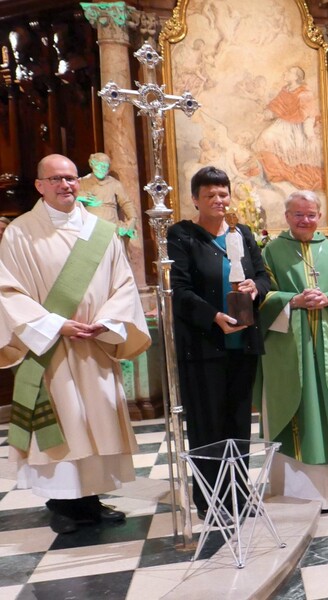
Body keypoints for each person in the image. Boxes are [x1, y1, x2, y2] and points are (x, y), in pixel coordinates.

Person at [0, 154, 150, 534]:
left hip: (94, 346)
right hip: (49, 348)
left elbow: (122, 284)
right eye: (55, 179)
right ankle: (64, 505)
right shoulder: (20, 233)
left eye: (70, 179)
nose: (65, 185)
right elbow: (7, 291)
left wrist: (108, 322)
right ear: (39, 185)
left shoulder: (100, 231)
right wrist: (54, 325)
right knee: (65, 425)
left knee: (94, 422)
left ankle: (92, 499)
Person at [256, 190, 328, 509]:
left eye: (311, 214)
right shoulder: (271, 252)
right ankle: (299, 492)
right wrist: (292, 301)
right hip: (293, 351)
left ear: (319, 216)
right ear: (286, 216)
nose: (305, 220)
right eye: (298, 214)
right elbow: (260, 296)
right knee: (299, 412)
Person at [167, 166, 270, 521]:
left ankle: (239, 493)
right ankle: (210, 499)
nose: (218, 200)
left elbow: (262, 276)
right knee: (208, 425)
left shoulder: (242, 233)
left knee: (238, 422)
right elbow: (178, 291)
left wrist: (256, 288)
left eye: (223, 194)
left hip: (242, 343)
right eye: (209, 195)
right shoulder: (182, 236)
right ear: (195, 199)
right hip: (204, 346)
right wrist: (213, 316)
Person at [77, 152, 138, 241]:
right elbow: (70, 201)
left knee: (112, 250)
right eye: (100, 165)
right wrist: (80, 197)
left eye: (105, 167)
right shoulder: (82, 182)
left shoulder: (115, 184)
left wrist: (132, 219)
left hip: (111, 223)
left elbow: (126, 202)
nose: (103, 169)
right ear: (92, 164)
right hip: (90, 225)